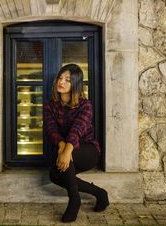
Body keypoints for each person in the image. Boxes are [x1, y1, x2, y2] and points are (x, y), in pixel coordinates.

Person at [43, 63, 109, 223]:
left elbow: (77, 130)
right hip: (64, 148)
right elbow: (52, 130)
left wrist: (66, 152)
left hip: (88, 150)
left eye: (67, 79)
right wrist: (61, 147)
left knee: (65, 162)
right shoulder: (49, 105)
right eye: (60, 77)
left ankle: (74, 200)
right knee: (54, 175)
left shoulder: (85, 105)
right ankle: (100, 193)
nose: (61, 82)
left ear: (76, 84)